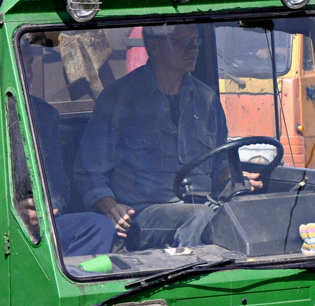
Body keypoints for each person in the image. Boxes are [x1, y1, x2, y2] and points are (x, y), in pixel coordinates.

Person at [74, 24, 233, 250]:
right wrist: (110, 207)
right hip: (144, 214)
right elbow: (89, 171)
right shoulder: (119, 99)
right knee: (199, 217)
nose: (193, 49)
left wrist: (234, 179)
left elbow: (220, 163)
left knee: (243, 215)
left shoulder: (206, 99)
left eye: (196, 42)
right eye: (183, 42)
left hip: (206, 205)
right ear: (155, 46)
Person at [22, 57, 116, 257]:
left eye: (28, 63)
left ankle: (73, 283)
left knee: (100, 227)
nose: (28, 73)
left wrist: (49, 208)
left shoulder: (45, 115)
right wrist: (18, 209)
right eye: (21, 63)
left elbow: (57, 180)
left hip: (46, 222)